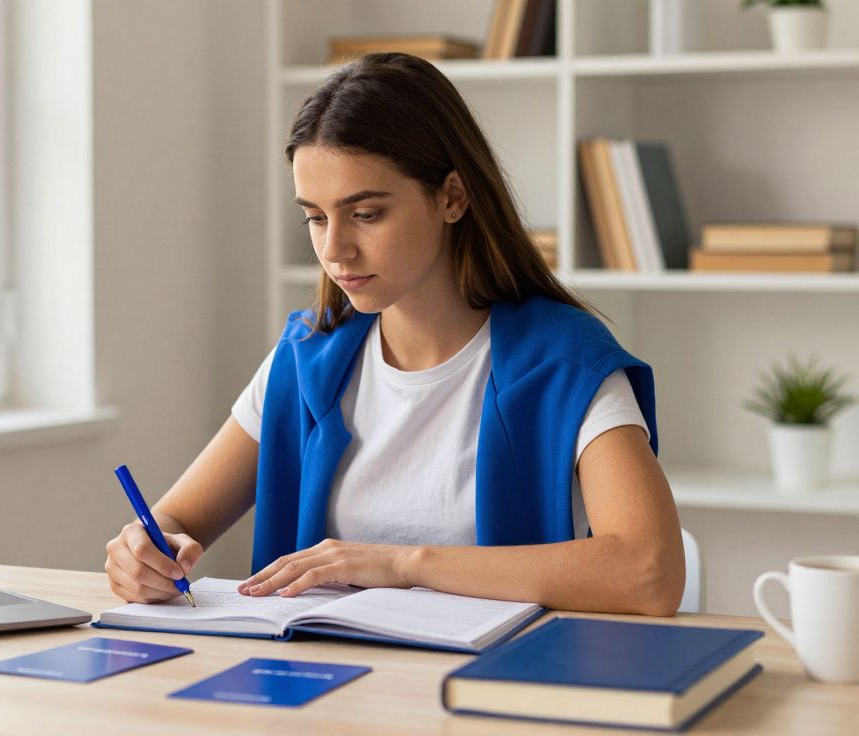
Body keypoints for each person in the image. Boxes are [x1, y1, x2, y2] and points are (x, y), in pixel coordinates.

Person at [104, 53, 685, 616]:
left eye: (367, 214)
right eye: (315, 216)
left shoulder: (567, 364)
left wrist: (404, 563)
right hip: (320, 698)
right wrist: (146, 555)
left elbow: (649, 572)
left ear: (452, 197)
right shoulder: (306, 358)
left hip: (487, 701)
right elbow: (175, 523)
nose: (334, 250)